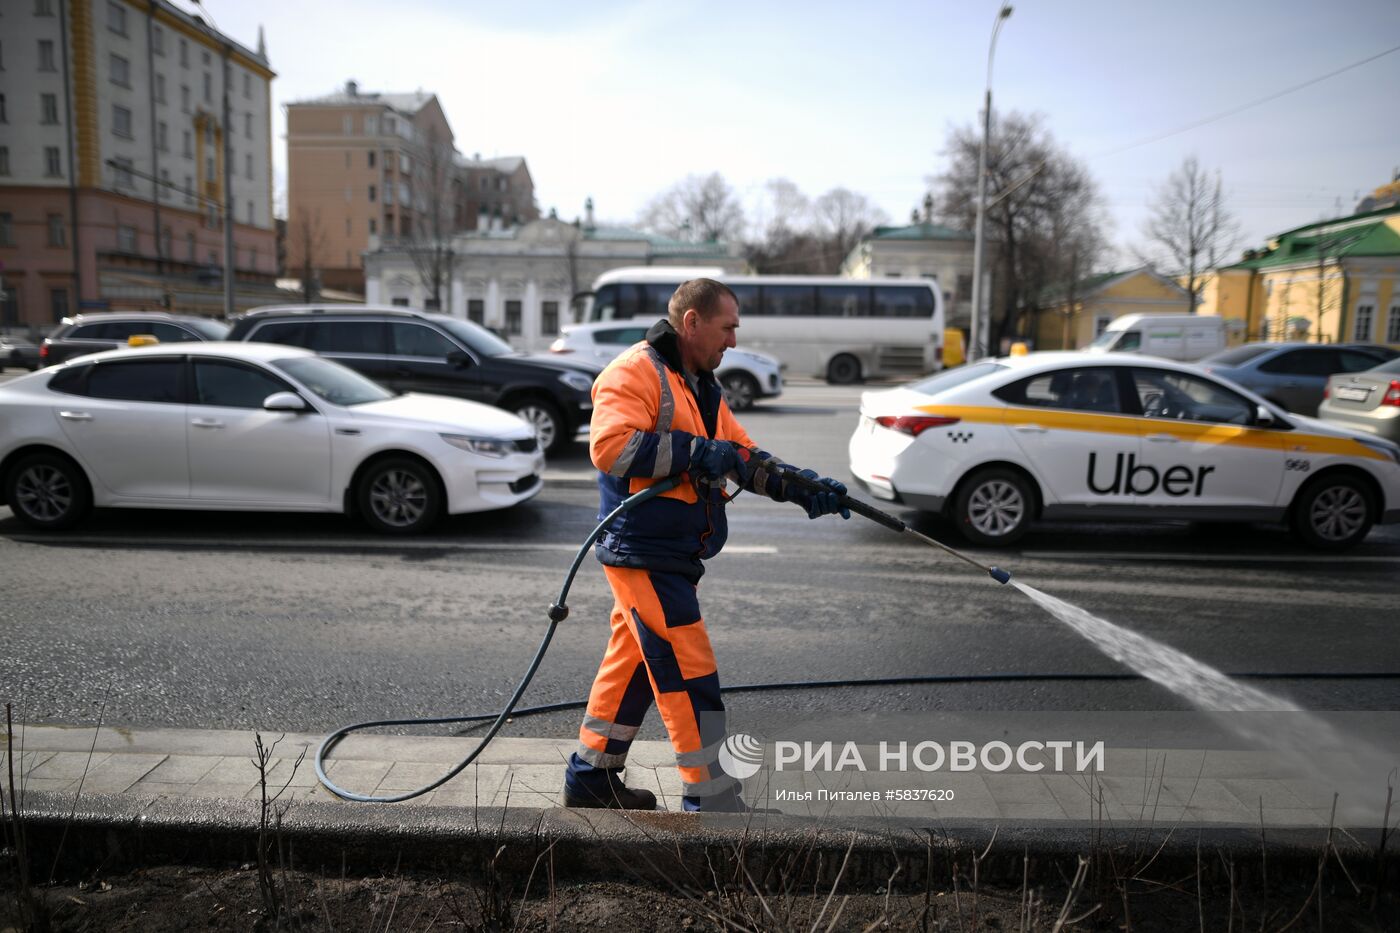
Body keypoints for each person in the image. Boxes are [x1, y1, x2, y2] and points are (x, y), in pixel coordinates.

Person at [561, 278, 851, 813]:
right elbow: (610, 449)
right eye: (728, 328)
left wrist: (798, 485)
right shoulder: (634, 372)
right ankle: (711, 795)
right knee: (689, 672)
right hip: (643, 549)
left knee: (634, 666)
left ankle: (590, 779)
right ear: (692, 322)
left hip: (667, 551)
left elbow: (738, 453)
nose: (734, 342)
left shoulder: (697, 382)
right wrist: (697, 453)